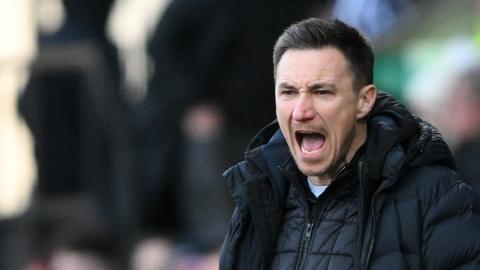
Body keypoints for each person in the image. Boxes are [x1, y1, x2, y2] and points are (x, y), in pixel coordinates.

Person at [219, 18, 480, 270]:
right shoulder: (257, 199)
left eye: (322, 92)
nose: (300, 111)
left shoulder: (437, 198)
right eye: (288, 92)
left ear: (364, 101)